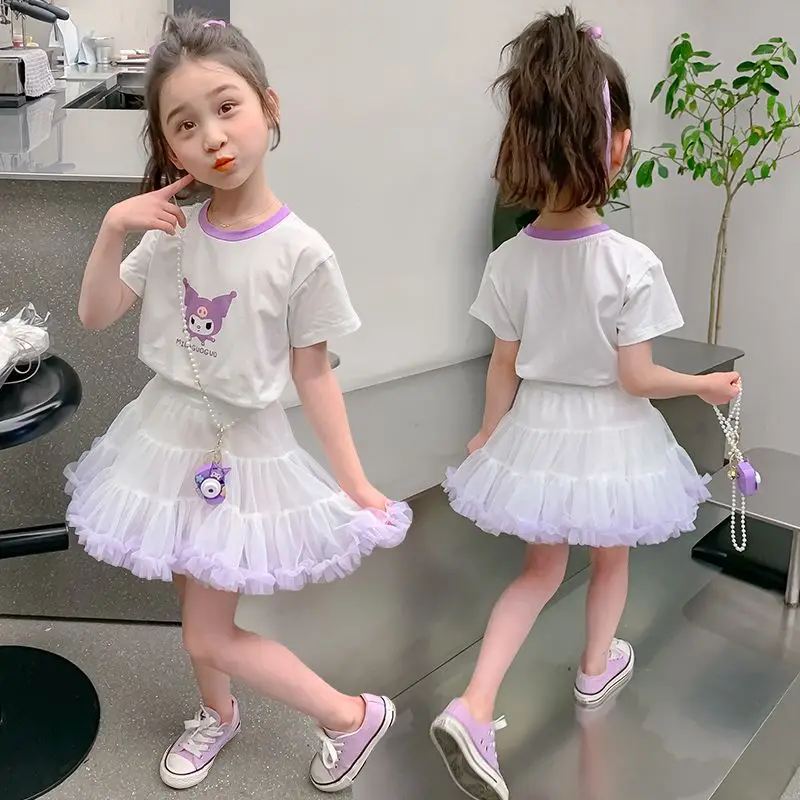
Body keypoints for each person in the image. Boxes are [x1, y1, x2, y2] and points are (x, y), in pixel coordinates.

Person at [66, 13, 411, 793]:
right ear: (168, 146)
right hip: (164, 433)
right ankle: (218, 714)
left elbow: (314, 375)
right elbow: (94, 315)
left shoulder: (302, 252)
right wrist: (113, 228)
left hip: (240, 450)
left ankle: (352, 716)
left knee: (206, 632)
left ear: (268, 106)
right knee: (193, 594)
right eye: (185, 125)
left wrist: (354, 483)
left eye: (227, 108)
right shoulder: (170, 232)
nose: (212, 137)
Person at [429, 8, 740, 800]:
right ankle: (596, 670)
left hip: (537, 429)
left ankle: (474, 705)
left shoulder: (508, 259)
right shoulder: (632, 264)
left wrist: (489, 434)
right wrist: (704, 386)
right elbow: (638, 378)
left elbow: (504, 363)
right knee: (611, 558)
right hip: (613, 435)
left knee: (538, 572)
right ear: (619, 145)